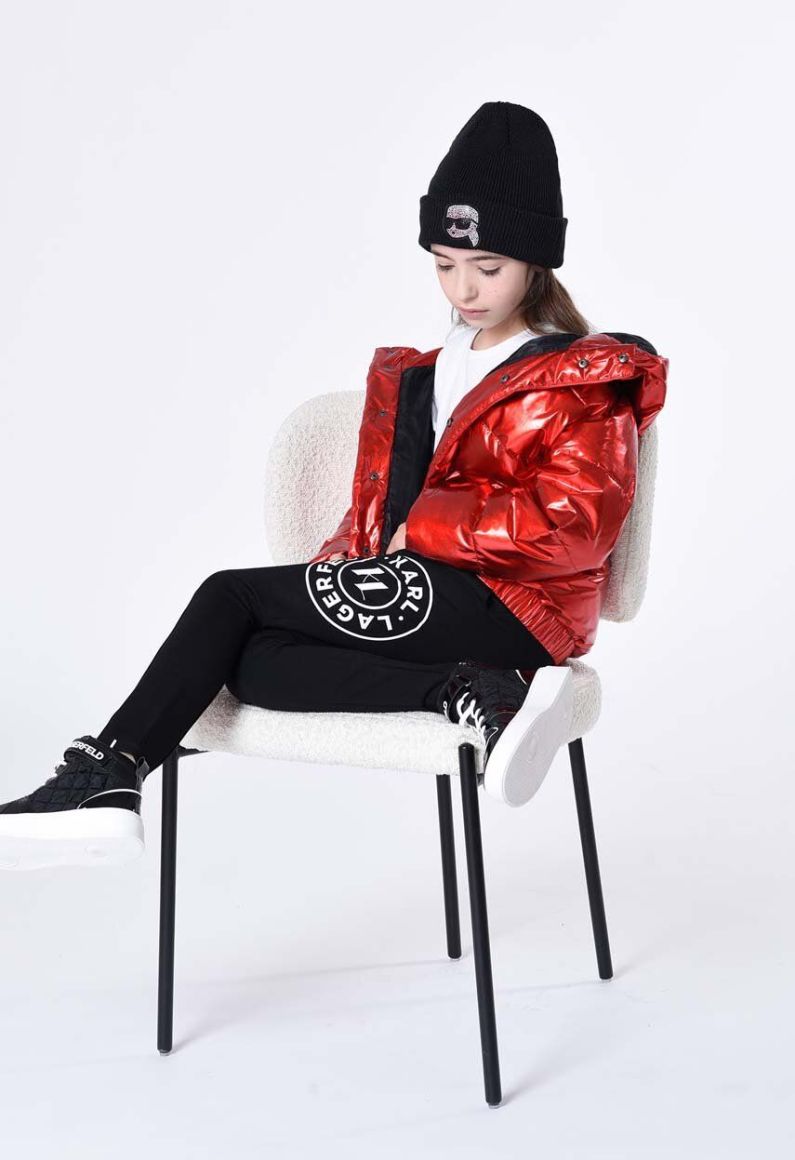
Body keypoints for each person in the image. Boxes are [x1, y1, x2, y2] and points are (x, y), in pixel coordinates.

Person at [0, 101, 668, 870]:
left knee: (229, 597)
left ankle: (105, 776)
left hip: (517, 608)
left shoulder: (581, 377)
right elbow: (382, 506)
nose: (464, 288)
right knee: (251, 662)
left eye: (487, 267)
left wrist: (424, 529)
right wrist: (341, 562)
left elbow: (576, 526)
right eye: (444, 263)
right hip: (426, 594)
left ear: (534, 261)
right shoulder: (428, 372)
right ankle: (469, 690)